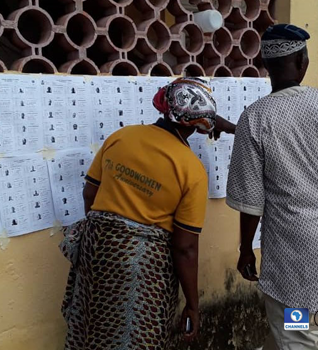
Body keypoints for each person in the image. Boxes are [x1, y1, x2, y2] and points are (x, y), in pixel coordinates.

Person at [60, 78, 233, 349]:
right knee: (137, 336)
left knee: (90, 329)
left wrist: (107, 237)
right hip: (143, 269)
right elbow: (184, 247)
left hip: (95, 253)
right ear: (198, 125)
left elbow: (90, 196)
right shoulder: (191, 170)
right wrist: (193, 305)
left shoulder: (121, 137)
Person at [226, 24, 318, 349]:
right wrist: (236, 129)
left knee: (292, 333)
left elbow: (252, 199)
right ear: (301, 63)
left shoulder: (254, 118)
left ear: (266, 66)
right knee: (292, 318)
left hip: (291, 239)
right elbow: (292, 134)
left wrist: (245, 250)